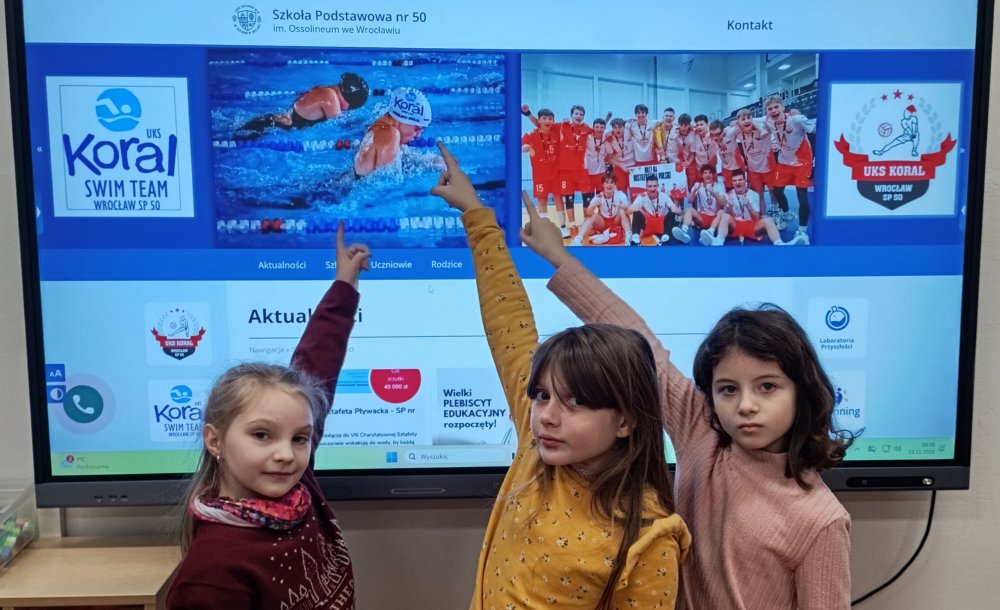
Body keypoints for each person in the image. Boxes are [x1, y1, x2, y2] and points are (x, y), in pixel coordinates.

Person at [521, 216, 855, 609]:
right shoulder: (703, 433)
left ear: (803, 390)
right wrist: (558, 256)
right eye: (728, 389)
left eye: (767, 386)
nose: (746, 405)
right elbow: (642, 345)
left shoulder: (821, 519)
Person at [430, 142, 689, 610]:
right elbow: (509, 323)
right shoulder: (537, 451)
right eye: (543, 395)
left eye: (576, 402)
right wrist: (476, 214)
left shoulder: (648, 537)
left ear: (627, 420)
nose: (547, 415)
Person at [167, 224, 370, 609]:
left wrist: (345, 284)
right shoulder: (212, 574)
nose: (286, 454)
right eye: (262, 435)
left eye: (300, 438)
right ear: (215, 440)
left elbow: (318, 360)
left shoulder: (298, 488)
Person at [236, 73, 370, 139]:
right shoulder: (331, 98)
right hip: (271, 127)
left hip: (272, 122)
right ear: (348, 101)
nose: (346, 109)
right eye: (349, 107)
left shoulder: (326, 90)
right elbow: (340, 127)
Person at [763, 95, 814, 245]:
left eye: (776, 107)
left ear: (783, 107)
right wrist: (733, 123)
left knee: (802, 196)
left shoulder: (796, 120)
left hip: (802, 162)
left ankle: (802, 232)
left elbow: (815, 129)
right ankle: (786, 214)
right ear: (767, 112)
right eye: (770, 109)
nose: (773, 111)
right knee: (777, 190)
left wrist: (799, 114)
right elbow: (749, 121)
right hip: (784, 161)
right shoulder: (768, 121)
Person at [354, 87, 432, 177]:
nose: (418, 135)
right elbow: (387, 181)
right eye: (417, 129)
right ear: (403, 119)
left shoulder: (377, 130)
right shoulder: (391, 134)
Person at [716, 168, 790, 245]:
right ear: (732, 182)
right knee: (725, 216)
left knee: (769, 220)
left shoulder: (754, 195)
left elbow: (756, 218)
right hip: (735, 225)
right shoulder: (728, 195)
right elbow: (729, 219)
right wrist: (730, 207)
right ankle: (718, 241)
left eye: (740, 180)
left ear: (745, 181)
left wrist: (749, 206)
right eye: (735, 181)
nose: (737, 182)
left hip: (750, 225)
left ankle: (779, 243)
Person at [521, 107, 561, 221]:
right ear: (539, 120)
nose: (547, 121)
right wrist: (524, 148)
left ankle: (563, 226)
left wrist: (528, 114)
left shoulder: (556, 130)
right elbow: (521, 147)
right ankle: (545, 226)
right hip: (540, 175)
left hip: (556, 173)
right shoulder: (529, 135)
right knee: (542, 200)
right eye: (544, 118)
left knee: (558, 198)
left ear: (553, 121)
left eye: (550, 119)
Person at [570, 173, 632, 246]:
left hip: (616, 221)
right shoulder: (599, 196)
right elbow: (588, 213)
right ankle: (578, 239)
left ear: (615, 184)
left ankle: (629, 237)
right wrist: (593, 205)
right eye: (607, 182)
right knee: (592, 215)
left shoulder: (619, 194)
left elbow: (628, 207)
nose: (609, 185)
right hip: (603, 224)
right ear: (603, 184)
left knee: (622, 210)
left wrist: (619, 204)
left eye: (612, 182)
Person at [673, 163, 725, 245]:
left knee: (721, 212)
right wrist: (694, 190)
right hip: (702, 218)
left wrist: (713, 192)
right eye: (705, 173)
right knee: (690, 210)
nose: (707, 175)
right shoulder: (698, 185)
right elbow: (689, 200)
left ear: (713, 175)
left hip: (715, 219)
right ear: (702, 175)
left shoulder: (719, 186)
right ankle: (684, 231)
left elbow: (722, 204)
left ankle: (710, 232)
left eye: (710, 173)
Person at [628, 174, 674, 246]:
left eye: (655, 186)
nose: (652, 189)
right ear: (646, 187)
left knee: (672, 212)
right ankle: (635, 239)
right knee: (636, 212)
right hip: (647, 225)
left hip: (662, 225)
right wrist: (634, 208)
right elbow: (628, 212)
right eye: (650, 186)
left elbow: (675, 209)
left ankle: (665, 238)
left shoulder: (664, 196)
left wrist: (677, 210)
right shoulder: (642, 196)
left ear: (658, 186)